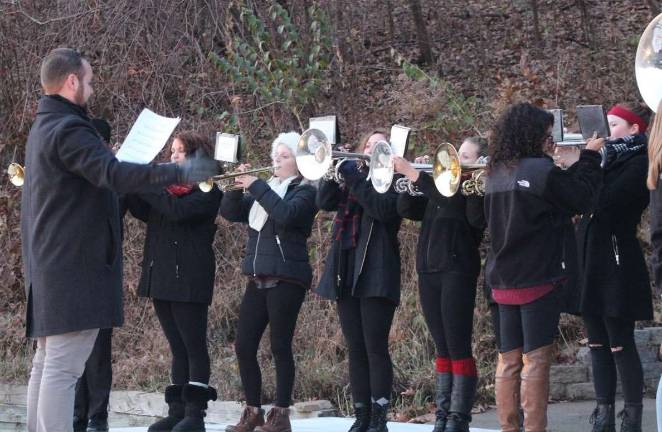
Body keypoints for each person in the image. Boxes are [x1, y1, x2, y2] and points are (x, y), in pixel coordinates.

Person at [21, 47, 217, 432]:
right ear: (72, 81)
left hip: (49, 265)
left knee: (46, 364)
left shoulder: (42, 128)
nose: (91, 90)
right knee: (62, 368)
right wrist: (176, 172)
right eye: (89, 81)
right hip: (73, 268)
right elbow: (112, 173)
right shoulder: (69, 129)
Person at [485, 103, 603, 432]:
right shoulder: (540, 171)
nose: (551, 142)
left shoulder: (495, 171)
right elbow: (580, 198)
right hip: (537, 278)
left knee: (508, 360)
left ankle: (510, 428)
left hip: (502, 279)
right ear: (533, 136)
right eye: (548, 136)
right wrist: (589, 157)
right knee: (535, 359)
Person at [220, 132, 317, 432]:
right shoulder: (268, 190)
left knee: (280, 345)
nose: (277, 160)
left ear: (299, 164)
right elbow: (229, 211)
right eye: (276, 155)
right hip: (257, 275)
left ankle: (282, 413)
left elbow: (286, 214)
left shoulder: (305, 191)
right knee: (244, 345)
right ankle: (252, 410)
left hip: (287, 277)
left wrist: (257, 184)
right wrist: (236, 187)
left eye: (285, 156)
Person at [125, 131, 222, 432]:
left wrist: (145, 182)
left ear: (196, 156)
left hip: (189, 275)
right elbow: (143, 211)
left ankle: (196, 414)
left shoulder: (207, 188)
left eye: (180, 151)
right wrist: (129, 181)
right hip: (162, 273)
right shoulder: (167, 187)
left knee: (193, 346)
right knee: (177, 347)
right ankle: (177, 410)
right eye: (172, 151)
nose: (174, 157)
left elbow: (176, 212)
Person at [393, 137, 487, 432]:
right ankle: (443, 415)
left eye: (466, 155)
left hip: (457, 269)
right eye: (457, 154)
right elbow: (407, 210)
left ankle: (459, 418)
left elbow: (465, 212)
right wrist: (411, 182)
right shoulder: (438, 186)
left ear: (480, 162)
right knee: (442, 344)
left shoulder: (472, 192)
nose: (458, 159)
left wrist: (416, 175)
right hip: (429, 269)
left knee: (457, 343)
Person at [572, 102, 652, 432]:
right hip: (589, 259)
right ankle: (603, 413)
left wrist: (590, 162)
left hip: (617, 261)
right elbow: (574, 199)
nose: (607, 131)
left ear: (634, 129)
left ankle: (632, 417)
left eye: (615, 125)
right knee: (596, 343)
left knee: (620, 342)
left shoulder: (639, 161)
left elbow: (606, 203)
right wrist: (580, 165)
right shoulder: (604, 160)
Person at [315, 129, 402, 432]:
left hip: (377, 268)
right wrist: (330, 171)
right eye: (368, 143)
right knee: (355, 347)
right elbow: (324, 202)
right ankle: (361, 413)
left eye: (380, 144)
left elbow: (381, 209)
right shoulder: (351, 175)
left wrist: (352, 175)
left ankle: (380, 415)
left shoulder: (394, 181)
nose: (372, 148)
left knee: (375, 346)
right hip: (346, 265)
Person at [73, 118, 115, 432]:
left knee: (98, 352)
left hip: (101, 272)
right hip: (74, 272)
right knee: (73, 351)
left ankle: (97, 416)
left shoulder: (109, 178)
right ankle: (77, 414)